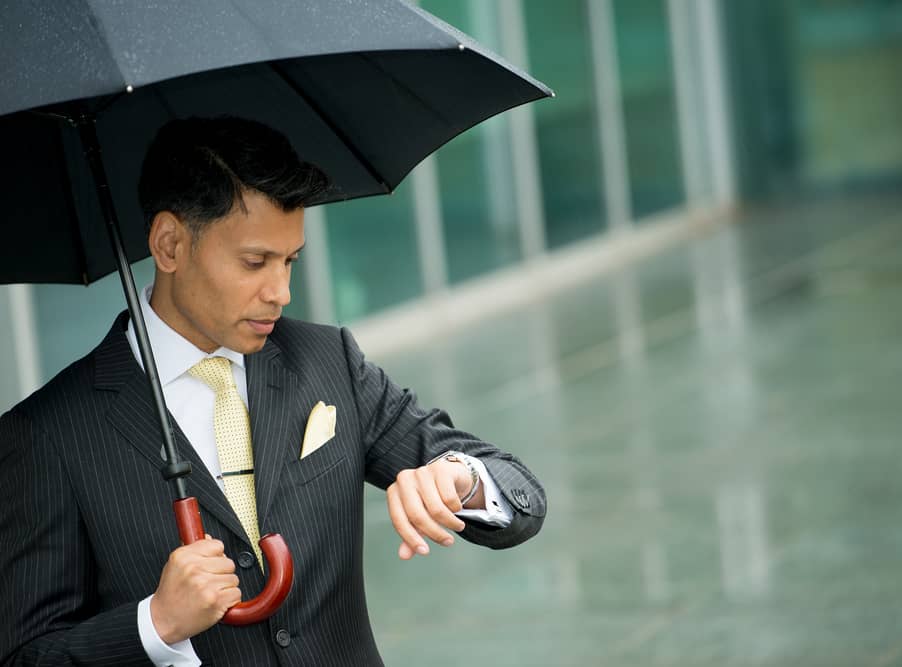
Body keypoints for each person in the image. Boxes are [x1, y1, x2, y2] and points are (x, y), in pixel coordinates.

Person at [0, 116, 546, 666]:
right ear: (169, 244)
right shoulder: (47, 435)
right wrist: (154, 625)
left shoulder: (329, 362)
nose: (281, 292)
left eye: (290, 261)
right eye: (255, 262)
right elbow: (26, 656)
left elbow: (520, 493)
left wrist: (460, 479)